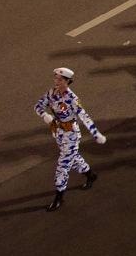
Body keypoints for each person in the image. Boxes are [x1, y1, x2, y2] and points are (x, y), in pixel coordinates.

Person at [34, 67, 106, 213]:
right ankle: (90, 175)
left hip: (71, 135)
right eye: (55, 78)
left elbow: (84, 117)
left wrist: (96, 133)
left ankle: (59, 197)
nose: (56, 81)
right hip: (58, 132)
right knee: (73, 158)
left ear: (67, 81)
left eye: (60, 80)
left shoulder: (72, 99)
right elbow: (37, 106)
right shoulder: (51, 93)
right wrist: (44, 115)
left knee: (62, 167)